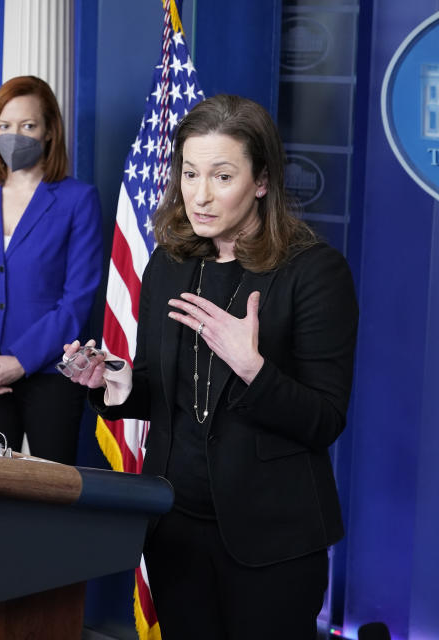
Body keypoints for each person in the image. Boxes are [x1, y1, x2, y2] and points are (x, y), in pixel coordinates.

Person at [63, 94, 358, 639]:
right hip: (175, 528)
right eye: (190, 173)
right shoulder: (170, 263)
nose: (199, 195)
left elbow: (325, 419)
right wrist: (119, 383)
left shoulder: (315, 273)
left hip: (273, 542)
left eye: (222, 177)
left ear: (262, 181)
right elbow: (159, 386)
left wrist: (254, 369)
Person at [0, 75, 102, 464]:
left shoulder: (79, 200)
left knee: (52, 488)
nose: (15, 135)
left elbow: (76, 302)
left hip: (51, 374)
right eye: (5, 126)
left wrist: (21, 361)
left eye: (28, 126)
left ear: (49, 132)